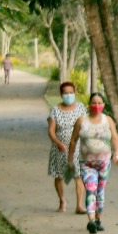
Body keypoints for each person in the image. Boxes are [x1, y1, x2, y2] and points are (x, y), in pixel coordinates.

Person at [67, 92, 118, 234]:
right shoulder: (81, 121)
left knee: (100, 191)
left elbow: (115, 138)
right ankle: (91, 220)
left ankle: (98, 219)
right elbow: (73, 141)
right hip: (87, 163)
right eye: (94, 103)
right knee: (91, 189)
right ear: (89, 105)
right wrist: (70, 158)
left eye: (99, 103)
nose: (96, 106)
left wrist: (117, 154)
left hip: (104, 162)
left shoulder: (108, 120)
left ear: (103, 105)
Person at [47, 81, 87, 213]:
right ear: (61, 94)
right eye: (66, 93)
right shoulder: (55, 110)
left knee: (78, 175)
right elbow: (51, 130)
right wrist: (58, 143)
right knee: (59, 175)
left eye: (71, 93)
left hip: (77, 147)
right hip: (60, 148)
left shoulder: (81, 108)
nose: (69, 95)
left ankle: (79, 205)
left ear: (74, 93)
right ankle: (62, 201)